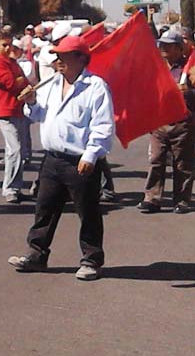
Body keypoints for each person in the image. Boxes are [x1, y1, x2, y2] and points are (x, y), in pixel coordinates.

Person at [8, 35, 115, 281]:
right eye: (57, 56)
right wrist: (31, 102)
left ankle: (91, 259)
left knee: (87, 211)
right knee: (44, 208)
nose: (58, 60)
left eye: (64, 56)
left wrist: (91, 154)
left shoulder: (95, 87)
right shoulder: (51, 83)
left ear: (80, 58)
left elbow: (103, 125)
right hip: (52, 159)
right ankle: (36, 254)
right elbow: (38, 115)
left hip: (79, 160)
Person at [138, 30, 195, 214]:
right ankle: (152, 198)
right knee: (156, 160)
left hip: (182, 124)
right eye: (162, 44)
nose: (164, 48)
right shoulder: (156, 67)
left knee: (183, 164)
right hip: (159, 122)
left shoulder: (189, 69)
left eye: (169, 45)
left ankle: (182, 200)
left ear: (179, 48)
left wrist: (187, 92)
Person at [0, 31, 31, 203]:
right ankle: (11, 188)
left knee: (15, 151)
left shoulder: (12, 62)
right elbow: (12, 84)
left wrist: (18, 81)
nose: (7, 48)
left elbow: (24, 82)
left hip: (18, 109)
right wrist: (17, 81)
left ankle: (14, 186)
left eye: (9, 44)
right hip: (5, 109)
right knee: (15, 150)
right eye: (3, 45)